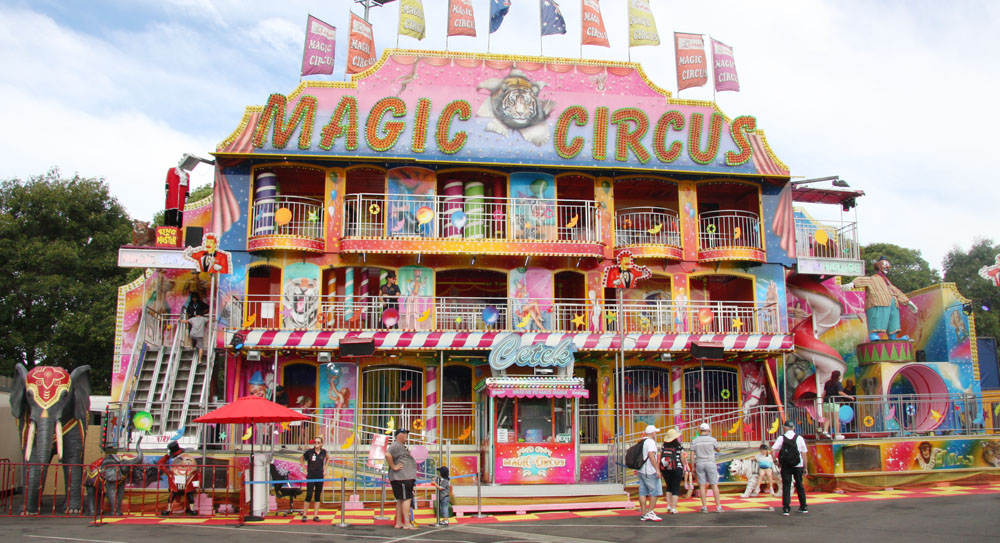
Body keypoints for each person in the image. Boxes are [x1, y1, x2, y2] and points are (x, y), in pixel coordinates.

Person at [843, 256, 918, 341]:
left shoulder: (887, 283)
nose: (887, 267)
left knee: (893, 319)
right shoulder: (873, 279)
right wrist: (852, 283)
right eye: (884, 264)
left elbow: (897, 291)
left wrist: (908, 303)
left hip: (892, 305)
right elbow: (863, 280)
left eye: (888, 265)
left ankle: (893, 337)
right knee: (877, 317)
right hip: (878, 303)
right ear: (878, 265)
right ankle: (873, 335)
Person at [773, 420, 808, 516]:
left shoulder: (781, 438)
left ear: (785, 427)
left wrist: (776, 461)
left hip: (786, 465)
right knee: (799, 485)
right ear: (793, 428)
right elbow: (804, 453)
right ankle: (803, 506)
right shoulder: (799, 438)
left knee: (786, 485)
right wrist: (805, 467)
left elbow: (773, 449)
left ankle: (786, 508)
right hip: (798, 464)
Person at [385, 429, 418, 530]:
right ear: (399, 435)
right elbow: (387, 454)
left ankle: (399, 522)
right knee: (406, 498)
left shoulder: (400, 446)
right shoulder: (396, 445)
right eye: (404, 434)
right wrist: (393, 466)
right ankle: (406, 523)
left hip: (403, 477)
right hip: (402, 477)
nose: (406, 435)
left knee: (401, 499)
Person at [157, 441, 200, 516]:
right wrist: (167, 456)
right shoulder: (171, 471)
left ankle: (191, 509)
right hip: (176, 485)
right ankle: (169, 509)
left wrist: (196, 485)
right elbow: (160, 463)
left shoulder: (191, 470)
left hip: (187, 484)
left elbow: (196, 475)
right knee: (173, 495)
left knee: (189, 495)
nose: (182, 464)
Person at [692, 422, 723, 513]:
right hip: (710, 462)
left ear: (700, 430)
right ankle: (718, 506)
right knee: (714, 484)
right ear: (708, 430)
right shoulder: (712, 440)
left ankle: (704, 506)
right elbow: (718, 449)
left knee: (702, 485)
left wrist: (693, 466)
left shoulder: (695, 440)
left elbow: (692, 454)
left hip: (699, 463)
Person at [635, 424, 662, 521]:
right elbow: (651, 455)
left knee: (642, 492)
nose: (656, 434)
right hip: (649, 471)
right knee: (654, 491)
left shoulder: (642, 441)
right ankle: (650, 511)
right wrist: (657, 469)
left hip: (641, 469)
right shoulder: (650, 442)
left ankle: (644, 513)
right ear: (653, 433)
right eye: (655, 432)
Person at [300, 437, 328, 522]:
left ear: (321, 444)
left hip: (319, 476)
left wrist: (325, 468)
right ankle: (305, 514)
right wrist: (304, 468)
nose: (316, 443)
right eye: (315, 442)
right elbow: (301, 458)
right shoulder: (309, 452)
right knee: (309, 494)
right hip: (311, 476)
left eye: (318, 442)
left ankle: (315, 515)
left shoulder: (323, 452)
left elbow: (328, 458)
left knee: (317, 495)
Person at [658, 427, 685, 515]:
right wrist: (684, 467)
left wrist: (660, 469)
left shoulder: (663, 446)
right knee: (676, 488)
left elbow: (661, 457)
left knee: (668, 487)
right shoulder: (679, 446)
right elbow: (682, 458)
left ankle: (668, 506)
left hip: (666, 468)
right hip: (677, 468)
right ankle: (674, 507)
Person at [821, 371, 854, 439]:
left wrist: (821, 400)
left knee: (828, 418)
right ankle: (837, 434)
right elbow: (840, 392)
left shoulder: (827, 383)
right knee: (836, 419)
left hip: (826, 402)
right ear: (838, 376)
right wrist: (849, 397)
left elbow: (824, 393)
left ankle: (825, 431)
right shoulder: (838, 383)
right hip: (834, 402)